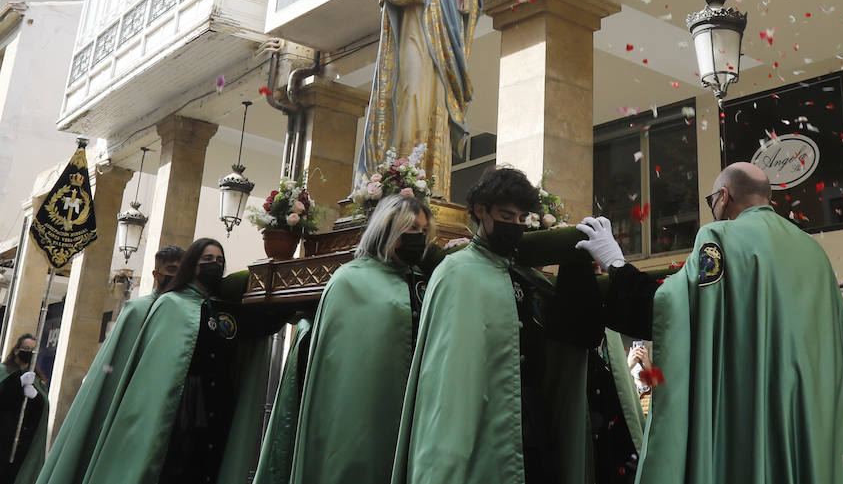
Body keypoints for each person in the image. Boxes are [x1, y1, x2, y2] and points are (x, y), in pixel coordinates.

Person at [577, 162, 843, 483]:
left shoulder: (719, 235)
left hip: (747, 405)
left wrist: (616, 265)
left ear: (723, 197)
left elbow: (675, 309)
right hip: (810, 412)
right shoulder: (813, 251)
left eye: (712, 202)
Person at [390, 166, 606, 484]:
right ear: (481, 211)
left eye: (522, 219)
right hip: (481, 427)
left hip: (532, 425)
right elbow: (448, 383)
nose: (516, 226)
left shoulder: (522, 273)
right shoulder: (457, 272)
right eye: (507, 215)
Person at [267, 195, 431, 484]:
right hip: (362, 414)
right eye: (410, 229)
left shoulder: (421, 280)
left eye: (422, 230)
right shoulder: (350, 280)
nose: (417, 237)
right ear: (386, 230)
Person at [76, 237, 262, 484]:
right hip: (181, 407)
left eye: (220, 260)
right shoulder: (170, 303)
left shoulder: (220, 309)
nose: (214, 265)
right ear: (192, 264)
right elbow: (156, 371)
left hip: (215, 406)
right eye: (207, 259)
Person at [356, 0, 481, 200]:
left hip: (444, 45)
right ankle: (401, 178)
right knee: (412, 97)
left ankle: (432, 185)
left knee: (436, 108)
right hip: (415, 34)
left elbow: (469, 0)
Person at [36, 246, 185, 484]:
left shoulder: (187, 313)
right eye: (171, 270)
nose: (176, 276)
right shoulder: (136, 310)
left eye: (181, 271)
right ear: (156, 275)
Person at [0, 334, 46, 484]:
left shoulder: (38, 380)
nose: (29, 352)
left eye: (33, 350)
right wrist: (17, 385)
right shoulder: (3, 371)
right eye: (26, 348)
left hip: (21, 443)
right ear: (16, 350)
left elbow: (42, 410)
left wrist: (36, 397)